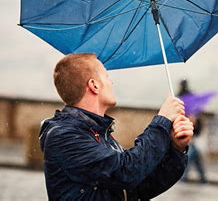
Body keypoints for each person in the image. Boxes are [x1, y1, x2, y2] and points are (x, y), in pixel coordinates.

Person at [39, 53, 194, 200]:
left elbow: (141, 187)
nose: (111, 82)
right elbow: (127, 171)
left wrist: (175, 149)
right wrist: (162, 121)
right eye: (107, 76)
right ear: (94, 85)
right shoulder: (64, 136)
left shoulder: (99, 132)